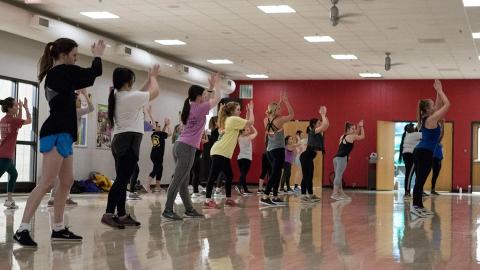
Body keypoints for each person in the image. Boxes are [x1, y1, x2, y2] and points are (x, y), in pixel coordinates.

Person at [14, 38, 105, 247]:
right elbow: (93, 74)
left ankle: (58, 228)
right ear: (64, 55)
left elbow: (85, 80)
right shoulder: (61, 71)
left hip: (64, 134)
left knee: (66, 181)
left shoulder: (60, 74)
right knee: (46, 182)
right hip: (55, 132)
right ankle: (22, 229)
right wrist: (97, 55)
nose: (75, 59)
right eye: (74, 55)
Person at [101, 64, 160, 229]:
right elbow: (155, 92)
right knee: (122, 180)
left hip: (119, 141)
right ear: (128, 81)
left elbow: (139, 93)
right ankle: (108, 214)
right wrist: (154, 78)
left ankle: (121, 214)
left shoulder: (119, 95)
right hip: (129, 141)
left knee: (122, 179)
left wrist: (148, 80)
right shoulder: (130, 97)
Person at [162, 73, 221, 220]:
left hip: (179, 145)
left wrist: (211, 86)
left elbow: (207, 97)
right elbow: (217, 98)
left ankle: (189, 209)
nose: (204, 97)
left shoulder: (191, 106)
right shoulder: (200, 108)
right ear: (198, 97)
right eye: (202, 95)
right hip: (187, 148)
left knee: (183, 181)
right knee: (178, 180)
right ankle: (168, 210)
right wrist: (218, 85)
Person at [47, 88, 94, 207]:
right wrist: (84, 94)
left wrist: (77, 94)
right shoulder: (75, 111)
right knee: (65, 173)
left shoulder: (66, 111)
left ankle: (61, 197)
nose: (80, 101)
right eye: (78, 100)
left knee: (63, 173)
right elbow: (91, 108)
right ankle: (56, 198)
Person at [203, 101, 254, 208]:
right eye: (238, 109)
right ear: (231, 111)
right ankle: (207, 200)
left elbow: (246, 122)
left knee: (229, 175)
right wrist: (252, 110)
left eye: (240, 109)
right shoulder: (232, 119)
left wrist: (248, 111)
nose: (240, 111)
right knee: (213, 176)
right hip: (220, 151)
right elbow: (250, 122)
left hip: (223, 153)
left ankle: (228, 199)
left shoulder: (231, 120)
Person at [411, 80, 449, 218]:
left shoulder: (429, 117)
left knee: (421, 180)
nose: (435, 105)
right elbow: (447, 104)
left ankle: (418, 206)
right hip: (423, 153)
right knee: (420, 180)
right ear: (427, 109)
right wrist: (440, 91)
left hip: (423, 152)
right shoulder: (431, 119)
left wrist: (438, 90)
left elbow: (439, 104)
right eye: (432, 105)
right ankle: (415, 206)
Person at [260, 91, 294, 206]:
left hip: (270, 150)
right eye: (279, 109)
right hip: (278, 150)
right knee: (275, 174)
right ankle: (265, 196)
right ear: (276, 110)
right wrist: (286, 101)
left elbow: (273, 111)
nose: (281, 110)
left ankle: (275, 196)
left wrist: (280, 101)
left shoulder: (266, 120)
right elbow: (291, 114)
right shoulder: (279, 120)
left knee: (277, 173)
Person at [1, 97, 32, 209]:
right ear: (9, 108)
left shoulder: (4, 120)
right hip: (5, 156)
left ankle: (9, 200)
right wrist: (26, 108)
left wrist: (20, 110)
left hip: (4, 154)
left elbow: (18, 122)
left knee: (14, 174)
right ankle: (9, 200)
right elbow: (29, 120)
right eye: (15, 105)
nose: (17, 106)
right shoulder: (13, 121)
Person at [300, 106, 329, 203]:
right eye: (318, 123)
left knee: (310, 175)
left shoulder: (318, 131)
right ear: (314, 124)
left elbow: (326, 125)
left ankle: (311, 194)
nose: (320, 124)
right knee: (306, 176)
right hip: (306, 156)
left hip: (309, 157)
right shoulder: (313, 131)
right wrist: (322, 114)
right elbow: (325, 124)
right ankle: (303, 195)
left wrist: (324, 115)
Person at [331, 120, 365, 201]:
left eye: (354, 129)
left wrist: (358, 126)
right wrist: (362, 127)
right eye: (352, 129)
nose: (354, 130)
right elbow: (362, 136)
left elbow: (356, 133)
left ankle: (341, 193)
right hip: (341, 158)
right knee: (338, 176)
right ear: (348, 130)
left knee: (339, 176)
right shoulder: (351, 136)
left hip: (335, 158)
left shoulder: (342, 136)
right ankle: (334, 194)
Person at [142, 118, 172, 193]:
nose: (159, 127)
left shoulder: (153, 134)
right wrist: (168, 125)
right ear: (155, 128)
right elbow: (170, 133)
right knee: (156, 169)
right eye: (158, 126)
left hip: (153, 154)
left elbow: (162, 134)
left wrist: (165, 126)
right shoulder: (160, 134)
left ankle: (157, 186)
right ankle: (147, 184)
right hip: (158, 155)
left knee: (160, 168)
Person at [235, 115, 258, 196]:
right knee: (243, 174)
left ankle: (245, 189)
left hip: (240, 158)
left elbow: (244, 125)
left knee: (243, 174)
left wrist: (247, 122)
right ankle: (238, 185)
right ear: (243, 131)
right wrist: (251, 125)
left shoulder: (239, 137)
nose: (249, 131)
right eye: (247, 130)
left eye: (249, 130)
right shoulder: (249, 137)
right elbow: (256, 132)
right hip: (246, 158)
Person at [398, 123, 421, 199]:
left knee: (410, 173)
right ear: (412, 129)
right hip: (412, 155)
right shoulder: (415, 134)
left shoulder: (406, 135)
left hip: (406, 155)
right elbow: (425, 135)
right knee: (409, 174)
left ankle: (410, 191)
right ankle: (407, 192)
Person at [431, 121, 444, 196]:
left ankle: (433, 189)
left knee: (435, 175)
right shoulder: (435, 141)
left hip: (438, 159)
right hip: (434, 159)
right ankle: (431, 190)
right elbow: (442, 134)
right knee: (434, 175)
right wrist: (442, 125)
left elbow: (441, 134)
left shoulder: (437, 141)